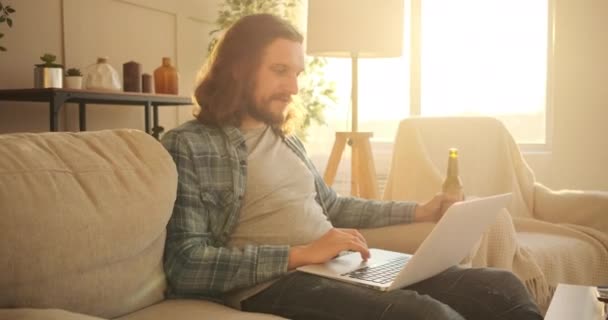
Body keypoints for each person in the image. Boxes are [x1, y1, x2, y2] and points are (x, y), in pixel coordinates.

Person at [160, 13, 542, 320]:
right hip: (273, 283)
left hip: (336, 266)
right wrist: (300, 253)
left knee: (499, 287)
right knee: (427, 315)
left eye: (297, 73)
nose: (293, 87)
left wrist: (419, 210)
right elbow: (186, 262)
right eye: (280, 71)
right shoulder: (189, 145)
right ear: (237, 69)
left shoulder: (284, 139)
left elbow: (335, 206)